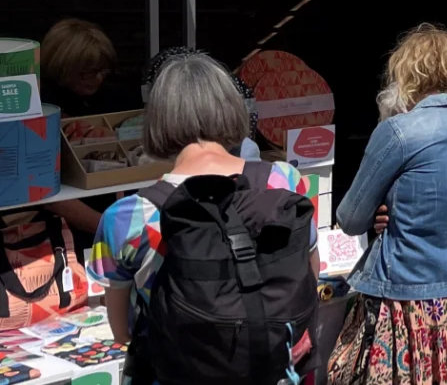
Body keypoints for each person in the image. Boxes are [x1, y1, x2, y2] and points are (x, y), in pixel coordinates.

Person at [86, 53, 315, 377]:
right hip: (270, 371)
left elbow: (122, 330)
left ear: (158, 119)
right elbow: (308, 276)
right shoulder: (284, 181)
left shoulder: (127, 216)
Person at [330, 25, 447, 384]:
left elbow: (350, 219)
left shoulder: (398, 131)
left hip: (410, 304)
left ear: (407, 75)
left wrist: (383, 209)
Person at [37, 18, 134, 235]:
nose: (97, 79)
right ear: (62, 66)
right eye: (87, 72)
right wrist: (115, 233)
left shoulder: (114, 98)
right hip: (67, 231)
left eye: (102, 70)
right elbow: (48, 196)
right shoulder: (42, 110)